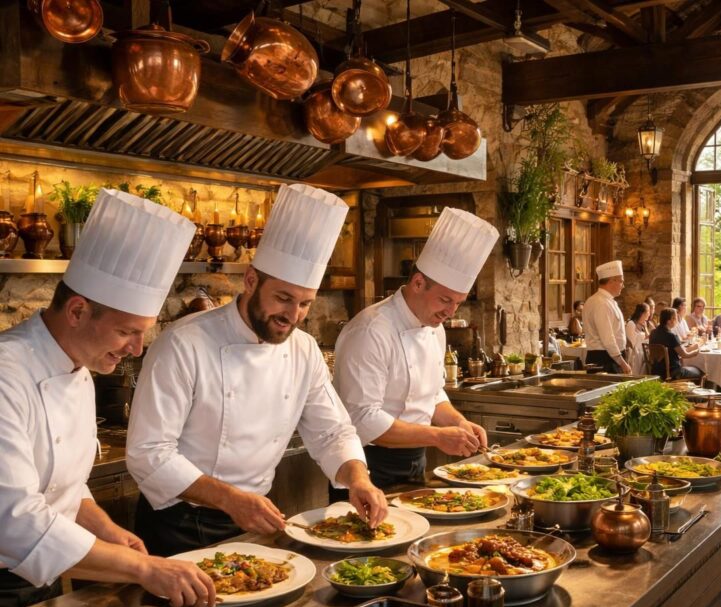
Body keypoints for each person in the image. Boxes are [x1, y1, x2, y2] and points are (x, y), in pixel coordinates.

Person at [128, 184, 387, 556]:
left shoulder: (303, 349)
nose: (292, 315)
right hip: (180, 524)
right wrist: (230, 498)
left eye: (304, 304)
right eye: (283, 298)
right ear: (251, 281)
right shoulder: (183, 343)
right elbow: (149, 453)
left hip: (254, 516)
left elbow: (332, 431)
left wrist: (357, 478)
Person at [0, 189, 216, 607]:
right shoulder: (7, 375)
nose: (137, 349)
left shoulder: (78, 366)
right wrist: (143, 568)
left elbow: (64, 484)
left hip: (37, 582)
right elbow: (15, 518)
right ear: (78, 311)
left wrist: (105, 529)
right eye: (126, 332)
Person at [334, 208, 498, 491]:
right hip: (366, 467)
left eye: (457, 303)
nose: (450, 311)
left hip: (414, 461)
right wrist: (437, 437)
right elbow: (363, 420)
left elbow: (433, 395)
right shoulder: (370, 331)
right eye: (445, 299)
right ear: (418, 283)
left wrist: (459, 424)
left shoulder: (435, 328)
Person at [582, 260, 631, 374]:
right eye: (621, 281)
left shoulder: (606, 301)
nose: (623, 286)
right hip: (605, 359)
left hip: (609, 357)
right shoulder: (601, 303)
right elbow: (607, 339)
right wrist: (623, 363)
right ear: (611, 281)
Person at [648, 309, 703, 380]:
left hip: (656, 371)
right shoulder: (671, 336)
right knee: (700, 371)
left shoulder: (653, 333)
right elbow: (684, 355)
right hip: (673, 372)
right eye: (676, 318)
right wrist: (696, 352)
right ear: (669, 321)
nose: (677, 320)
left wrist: (691, 348)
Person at [625, 303, 650, 376]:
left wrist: (645, 328)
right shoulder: (631, 324)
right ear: (643, 312)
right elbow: (631, 342)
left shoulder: (644, 324)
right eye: (648, 311)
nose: (649, 314)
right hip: (634, 354)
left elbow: (647, 337)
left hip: (642, 353)